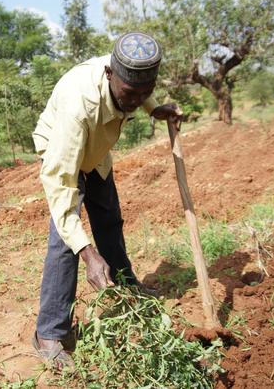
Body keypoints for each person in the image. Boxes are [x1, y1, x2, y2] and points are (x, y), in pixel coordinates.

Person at [31, 32, 182, 370]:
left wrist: (153, 107)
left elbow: (139, 90)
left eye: (145, 91)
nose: (135, 100)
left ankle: (127, 286)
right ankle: (50, 333)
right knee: (65, 241)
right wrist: (88, 254)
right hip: (63, 152)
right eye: (131, 94)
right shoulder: (78, 105)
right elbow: (61, 187)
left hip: (96, 151)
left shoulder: (131, 76)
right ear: (110, 75)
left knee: (109, 220)